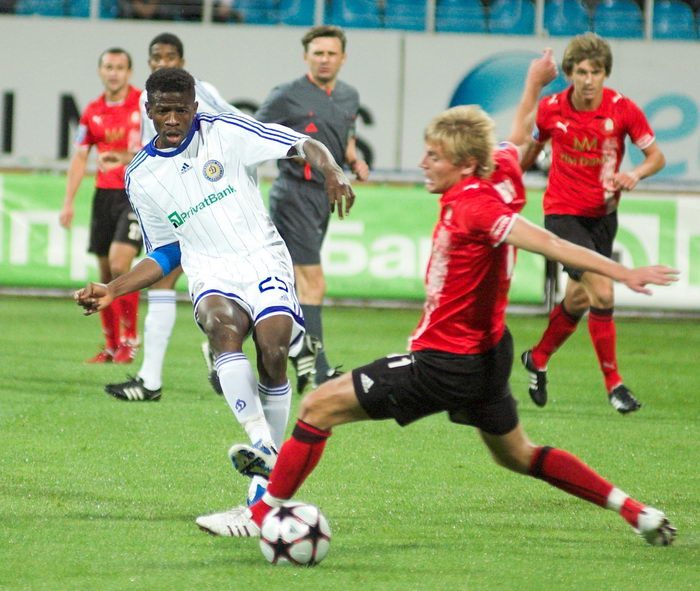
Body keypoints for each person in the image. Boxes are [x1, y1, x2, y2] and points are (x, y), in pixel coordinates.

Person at [194, 100, 678, 545]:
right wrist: (534, 83)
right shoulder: (496, 167)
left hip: (445, 362)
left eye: (434, 156)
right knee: (519, 454)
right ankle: (635, 511)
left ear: (465, 165)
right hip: (489, 355)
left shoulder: (476, 207)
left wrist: (623, 273)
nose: (423, 163)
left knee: (318, 406)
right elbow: (512, 142)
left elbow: (552, 244)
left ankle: (261, 513)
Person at [74, 67, 355, 507]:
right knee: (222, 327)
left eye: (180, 110)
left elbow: (302, 143)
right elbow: (166, 252)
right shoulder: (141, 176)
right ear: (148, 110)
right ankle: (262, 443)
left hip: (261, 256)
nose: (171, 119)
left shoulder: (227, 132)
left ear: (194, 107)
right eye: (162, 111)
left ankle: (266, 474)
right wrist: (115, 288)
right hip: (209, 268)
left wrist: (332, 169)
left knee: (274, 350)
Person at [519, 33, 666, 414]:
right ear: (569, 73)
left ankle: (537, 357)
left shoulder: (623, 109)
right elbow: (530, 151)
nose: (588, 80)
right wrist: (507, 181)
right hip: (562, 216)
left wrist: (635, 174)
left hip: (603, 216)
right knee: (603, 291)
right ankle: (614, 385)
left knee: (579, 299)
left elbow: (656, 157)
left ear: (605, 74)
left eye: (595, 72)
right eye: (581, 72)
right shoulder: (550, 110)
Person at [105, 32, 243, 402]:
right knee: (166, 280)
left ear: (181, 61)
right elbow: (156, 150)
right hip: (170, 199)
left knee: (210, 279)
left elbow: (236, 126)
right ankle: (155, 377)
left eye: (169, 57)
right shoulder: (147, 100)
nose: (162, 63)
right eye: (156, 57)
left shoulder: (201, 92)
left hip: (205, 199)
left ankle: (217, 351)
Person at [255, 25, 370, 394]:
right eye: (318, 53)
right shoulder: (285, 96)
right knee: (312, 282)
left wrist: (354, 159)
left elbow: (346, 136)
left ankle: (229, 351)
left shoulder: (349, 95)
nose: (324, 59)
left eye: (331, 53)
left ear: (343, 58)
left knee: (284, 283)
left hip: (324, 198)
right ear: (306, 56)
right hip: (293, 195)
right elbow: (252, 135)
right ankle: (320, 370)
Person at [59, 48, 142, 364]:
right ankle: (111, 345)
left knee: (121, 265)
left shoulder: (143, 105)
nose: (114, 73)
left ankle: (130, 339)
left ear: (129, 72)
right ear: (100, 71)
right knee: (106, 273)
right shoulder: (92, 111)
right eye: (108, 67)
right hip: (104, 196)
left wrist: (124, 158)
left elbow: (156, 147)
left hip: (134, 195)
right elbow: (80, 157)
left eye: (120, 67)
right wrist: (68, 202)